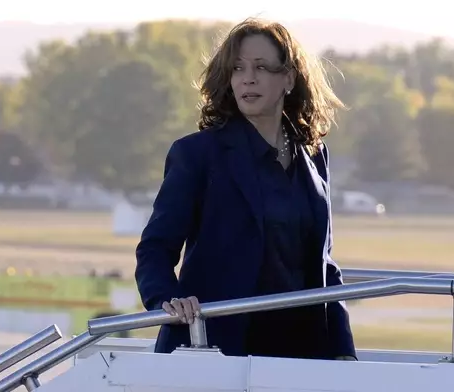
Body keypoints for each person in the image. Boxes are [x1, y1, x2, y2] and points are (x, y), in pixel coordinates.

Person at [135, 17, 357, 361]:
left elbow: (325, 266)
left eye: (261, 67)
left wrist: (343, 349)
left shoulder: (314, 155)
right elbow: (154, 249)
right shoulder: (197, 154)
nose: (247, 78)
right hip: (216, 350)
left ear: (288, 78)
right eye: (237, 68)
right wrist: (166, 297)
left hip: (302, 354)